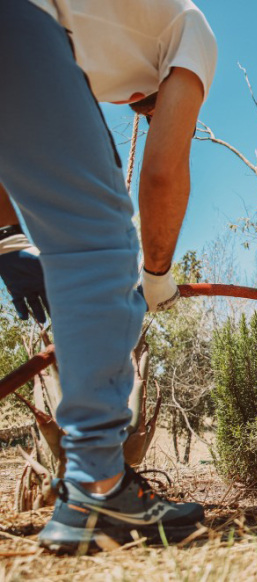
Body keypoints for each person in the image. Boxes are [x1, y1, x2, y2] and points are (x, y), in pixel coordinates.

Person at [0, 0, 216, 552]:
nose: (138, 112)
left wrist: (6, 238)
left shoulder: (90, 40)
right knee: (102, 238)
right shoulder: (192, 29)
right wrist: (155, 273)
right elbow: (163, 175)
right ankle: (97, 485)